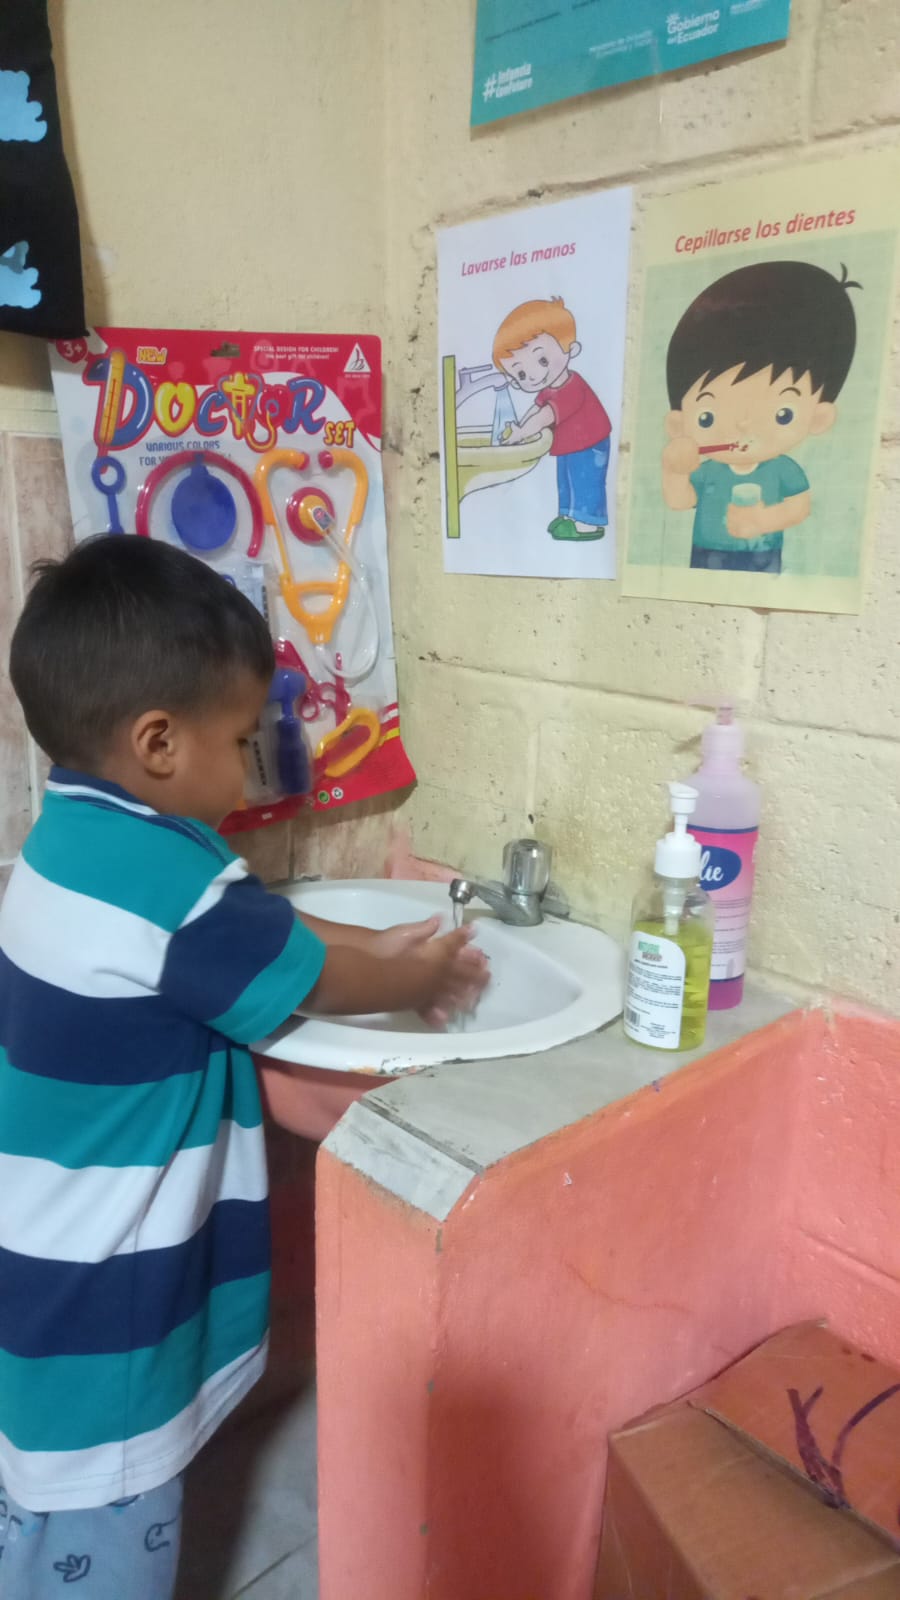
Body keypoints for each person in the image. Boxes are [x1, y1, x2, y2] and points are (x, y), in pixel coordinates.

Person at [0, 535, 487, 1599]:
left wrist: (373, 945)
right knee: (97, 1540)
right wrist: (418, 971)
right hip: (111, 1319)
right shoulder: (171, 881)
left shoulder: (74, 839)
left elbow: (258, 931)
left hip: (44, 1269)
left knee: (34, 1522)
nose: (249, 763)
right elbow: (309, 972)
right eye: (238, 739)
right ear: (159, 743)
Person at [661, 260, 859, 574]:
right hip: (704, 556)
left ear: (819, 417)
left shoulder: (784, 470)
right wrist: (675, 471)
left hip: (763, 556)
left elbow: (798, 508)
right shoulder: (708, 471)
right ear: (678, 424)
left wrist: (763, 521)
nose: (743, 425)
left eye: (783, 414)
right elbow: (679, 501)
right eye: (706, 417)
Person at [493, 297, 611, 541]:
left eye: (542, 360)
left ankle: (588, 524)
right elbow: (535, 409)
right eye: (520, 373)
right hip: (571, 444)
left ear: (572, 350)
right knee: (566, 480)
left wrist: (522, 433)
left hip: (590, 444)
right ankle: (568, 516)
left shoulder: (571, 387)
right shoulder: (549, 389)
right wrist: (519, 427)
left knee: (585, 482)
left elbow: (544, 416)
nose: (532, 375)